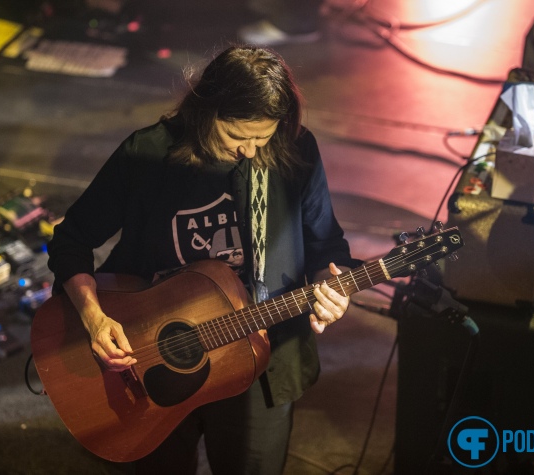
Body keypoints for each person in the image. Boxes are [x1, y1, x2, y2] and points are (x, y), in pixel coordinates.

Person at [46, 45, 358, 474]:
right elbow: (72, 239)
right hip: (153, 353)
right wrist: (94, 317)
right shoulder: (148, 154)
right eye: (238, 136)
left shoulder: (295, 151)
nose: (250, 151)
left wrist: (332, 290)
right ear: (207, 110)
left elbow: (327, 246)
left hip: (258, 360)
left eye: (262, 138)